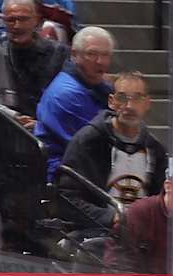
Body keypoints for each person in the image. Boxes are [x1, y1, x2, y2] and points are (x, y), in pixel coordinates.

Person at [57, 69, 165, 237]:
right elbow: (66, 198)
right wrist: (110, 217)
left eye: (137, 98)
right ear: (111, 101)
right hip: (94, 236)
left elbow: (162, 201)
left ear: (147, 103)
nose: (129, 106)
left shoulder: (155, 149)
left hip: (142, 239)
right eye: (122, 98)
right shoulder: (88, 141)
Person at [34, 25, 113, 178]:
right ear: (74, 55)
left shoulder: (99, 85)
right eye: (92, 54)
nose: (100, 61)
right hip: (67, 177)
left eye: (105, 54)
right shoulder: (67, 94)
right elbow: (94, 146)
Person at [0, 0, 64, 123]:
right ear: (3, 21)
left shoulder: (58, 53)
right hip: (7, 125)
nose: (17, 26)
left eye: (23, 19)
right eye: (11, 20)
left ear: (36, 20)